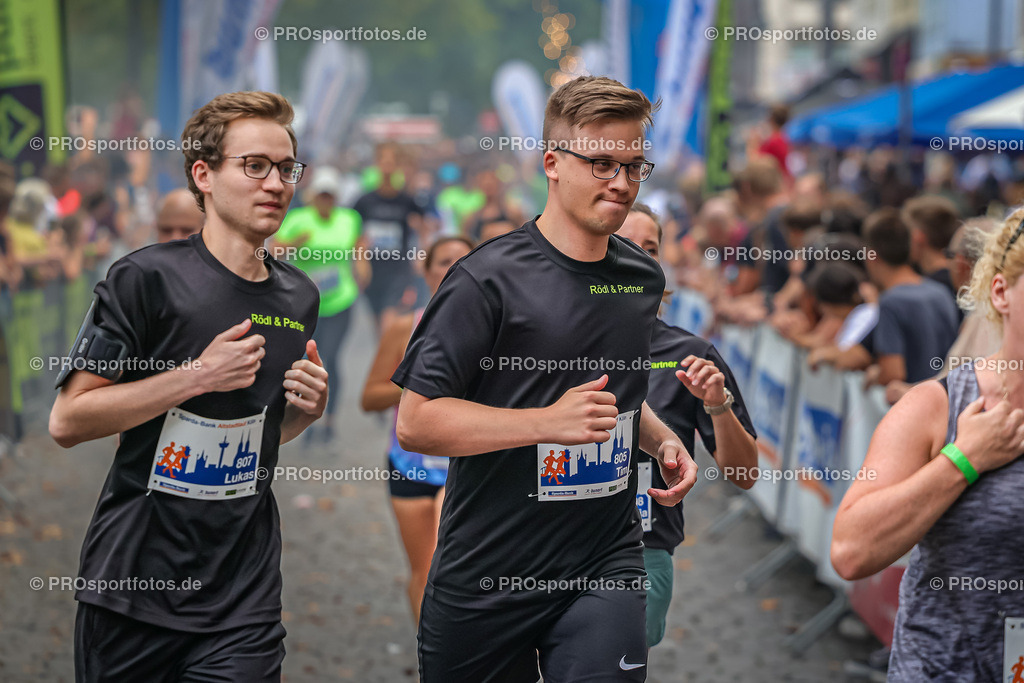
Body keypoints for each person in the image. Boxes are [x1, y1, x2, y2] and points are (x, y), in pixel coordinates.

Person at [392, 75, 697, 683]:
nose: (622, 183)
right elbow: (417, 421)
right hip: (489, 570)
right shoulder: (486, 280)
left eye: (636, 166)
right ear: (552, 163)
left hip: (604, 561)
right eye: (602, 164)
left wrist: (661, 441)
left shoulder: (640, 279)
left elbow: (620, 392)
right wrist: (545, 423)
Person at [49, 91, 327, 683]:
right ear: (204, 174)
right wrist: (195, 375)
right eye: (254, 165)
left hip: (242, 592)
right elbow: (69, 420)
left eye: (286, 168)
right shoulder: (144, 278)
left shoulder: (299, 297)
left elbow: (252, 430)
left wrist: (302, 413)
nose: (275, 183)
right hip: (134, 585)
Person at [830, 207, 1024, 682]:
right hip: (947, 669)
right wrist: (963, 460)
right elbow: (852, 549)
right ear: (1001, 293)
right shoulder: (939, 406)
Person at [616, 204, 758, 648]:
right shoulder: (547, 342)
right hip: (549, 547)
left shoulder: (690, 354)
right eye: (623, 243)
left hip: (641, 553)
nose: (638, 256)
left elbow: (745, 473)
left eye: (650, 248)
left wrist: (718, 405)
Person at [360, 235, 474, 624]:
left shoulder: (499, 328)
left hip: (465, 465)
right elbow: (370, 398)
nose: (453, 268)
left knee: (456, 571)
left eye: (464, 260)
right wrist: (420, 382)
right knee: (424, 571)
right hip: (408, 464)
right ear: (425, 273)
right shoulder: (404, 328)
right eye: (443, 261)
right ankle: (432, 654)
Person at [276, 166, 365, 441]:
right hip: (306, 304)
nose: (325, 200)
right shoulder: (299, 218)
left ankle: (330, 421)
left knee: (331, 359)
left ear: (336, 197)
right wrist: (293, 242)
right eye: (321, 195)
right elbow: (274, 251)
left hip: (341, 300)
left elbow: (360, 248)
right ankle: (303, 418)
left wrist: (362, 271)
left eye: (330, 196)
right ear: (313, 196)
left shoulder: (349, 219)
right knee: (304, 361)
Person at [353, 143, 424, 330]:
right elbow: (354, 235)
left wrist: (420, 254)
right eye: (383, 161)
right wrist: (359, 262)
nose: (387, 166)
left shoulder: (407, 201)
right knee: (379, 332)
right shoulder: (364, 201)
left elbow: (425, 226)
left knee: (388, 327)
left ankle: (396, 359)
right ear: (376, 165)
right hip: (372, 271)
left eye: (391, 162)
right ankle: (390, 359)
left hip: (397, 271)